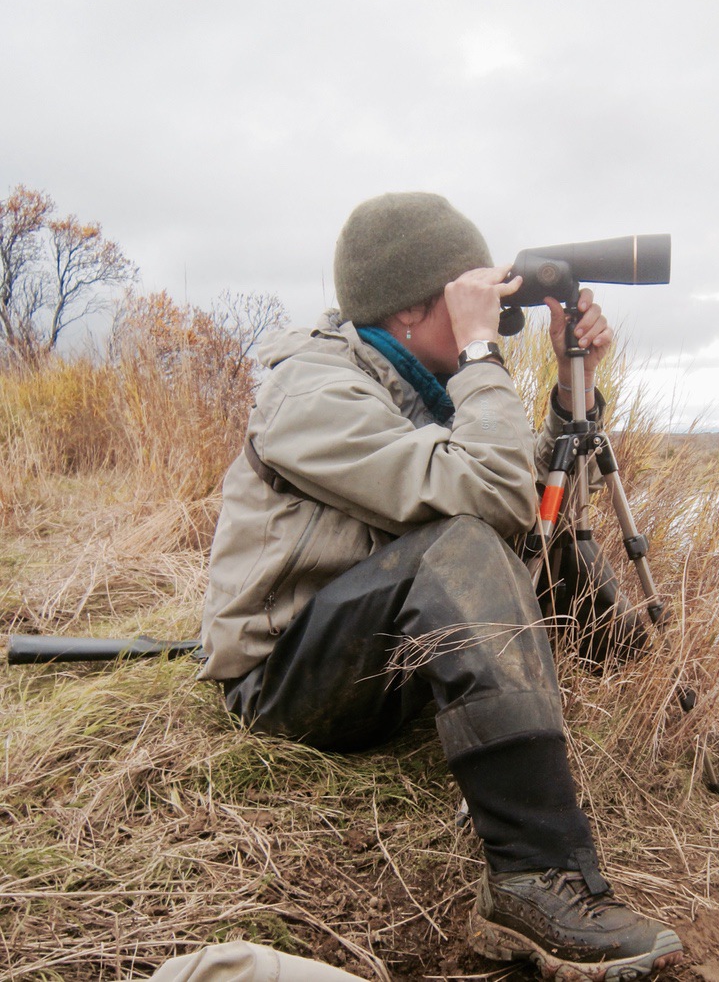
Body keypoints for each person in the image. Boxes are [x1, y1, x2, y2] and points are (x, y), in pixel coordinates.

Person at [199, 192, 684, 980]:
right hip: (284, 679)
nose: (476, 323)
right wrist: (482, 356)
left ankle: (635, 676)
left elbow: (526, 486)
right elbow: (485, 493)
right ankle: (533, 878)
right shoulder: (313, 398)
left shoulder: (399, 378)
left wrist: (573, 384)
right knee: (463, 539)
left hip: (368, 641)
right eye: (460, 307)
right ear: (410, 311)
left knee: (507, 522)